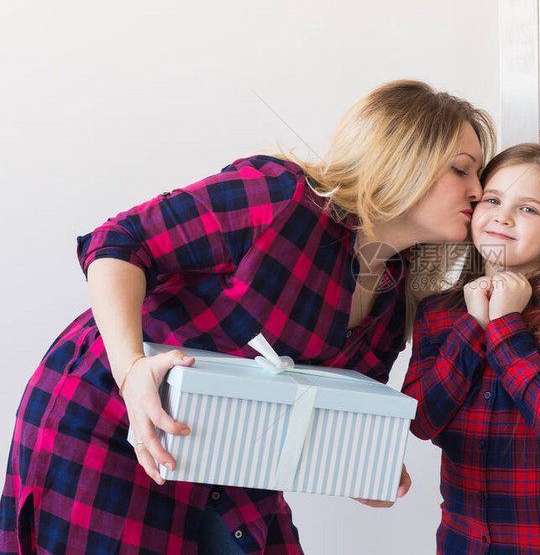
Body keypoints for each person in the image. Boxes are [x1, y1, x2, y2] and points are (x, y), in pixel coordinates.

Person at [0, 80, 496, 554]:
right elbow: (118, 244)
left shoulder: (395, 292)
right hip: (108, 424)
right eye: (461, 169)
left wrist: (363, 465)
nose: (477, 190)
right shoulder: (280, 197)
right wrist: (130, 370)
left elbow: (324, 412)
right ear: (402, 157)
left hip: (226, 457)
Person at [402, 143, 540, 555]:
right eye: (493, 200)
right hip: (462, 544)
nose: (502, 216)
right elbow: (420, 420)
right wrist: (473, 326)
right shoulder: (438, 313)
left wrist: (504, 325)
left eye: (529, 209)